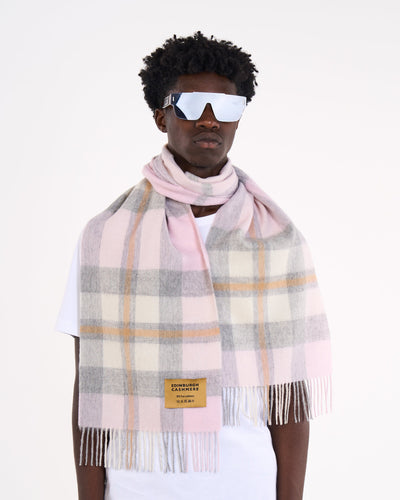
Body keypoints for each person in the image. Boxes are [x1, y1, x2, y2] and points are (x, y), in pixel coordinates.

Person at [56, 31, 331, 500]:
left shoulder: (277, 241)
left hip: (246, 484)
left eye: (226, 106)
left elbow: (289, 398)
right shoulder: (105, 237)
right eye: (190, 104)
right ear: (161, 116)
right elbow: (91, 390)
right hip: (136, 484)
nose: (209, 119)